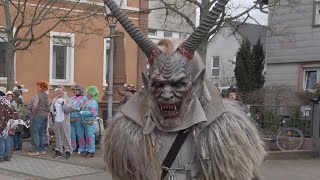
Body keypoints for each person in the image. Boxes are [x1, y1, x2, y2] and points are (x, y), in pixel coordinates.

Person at [103, 1, 265, 179]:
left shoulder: (228, 133)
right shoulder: (126, 132)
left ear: (196, 83)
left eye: (178, 85)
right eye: (158, 85)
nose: (165, 94)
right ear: (148, 84)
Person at [0, 90, 26, 162]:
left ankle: (1, 156)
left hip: (2, 124)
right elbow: (14, 114)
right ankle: (7, 156)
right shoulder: (8, 103)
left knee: (2, 140)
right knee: (8, 140)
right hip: (9, 124)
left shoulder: (2, 103)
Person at [27, 81, 50, 156]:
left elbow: (34, 106)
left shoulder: (37, 95)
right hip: (44, 116)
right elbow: (48, 107)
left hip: (37, 116)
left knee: (35, 133)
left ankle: (36, 150)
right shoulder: (46, 96)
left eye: (38, 86)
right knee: (42, 133)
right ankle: (42, 149)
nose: (36, 87)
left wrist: (33, 113)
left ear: (40, 87)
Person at [50, 86, 73, 159]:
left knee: (66, 136)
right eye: (58, 91)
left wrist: (63, 103)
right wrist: (52, 112)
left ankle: (68, 151)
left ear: (63, 91)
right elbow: (52, 108)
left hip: (64, 121)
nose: (59, 92)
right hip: (57, 120)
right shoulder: (54, 99)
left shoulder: (68, 99)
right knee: (58, 136)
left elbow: (69, 109)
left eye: (60, 90)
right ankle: (59, 150)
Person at [80, 86, 99, 158]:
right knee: (87, 136)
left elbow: (92, 113)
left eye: (88, 92)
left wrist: (83, 112)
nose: (87, 93)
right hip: (86, 121)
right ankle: (87, 149)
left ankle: (91, 151)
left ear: (92, 93)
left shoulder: (93, 102)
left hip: (90, 122)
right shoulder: (88, 101)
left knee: (90, 137)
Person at [70, 84, 87, 155]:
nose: (74, 91)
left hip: (79, 119)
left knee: (80, 134)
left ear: (80, 90)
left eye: (76, 89)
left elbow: (85, 108)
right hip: (71, 119)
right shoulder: (72, 98)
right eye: (73, 89)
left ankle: (82, 148)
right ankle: (73, 147)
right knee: (72, 135)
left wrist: (77, 109)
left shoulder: (84, 98)